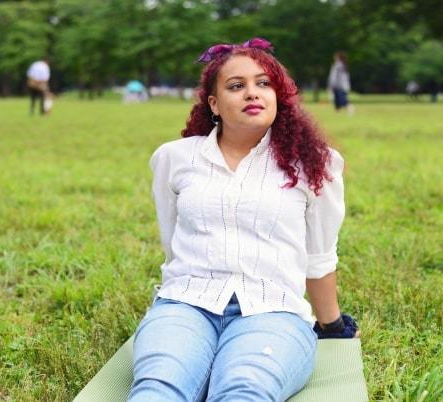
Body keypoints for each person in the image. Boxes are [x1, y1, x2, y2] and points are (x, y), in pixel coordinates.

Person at [129, 38, 358, 402]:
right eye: (237, 86)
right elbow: (173, 243)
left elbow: (319, 257)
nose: (252, 93)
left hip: (274, 312)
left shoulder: (316, 163)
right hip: (185, 305)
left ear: (278, 95)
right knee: (158, 388)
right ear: (214, 104)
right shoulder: (174, 159)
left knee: (244, 391)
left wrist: (331, 325)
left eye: (263, 83)